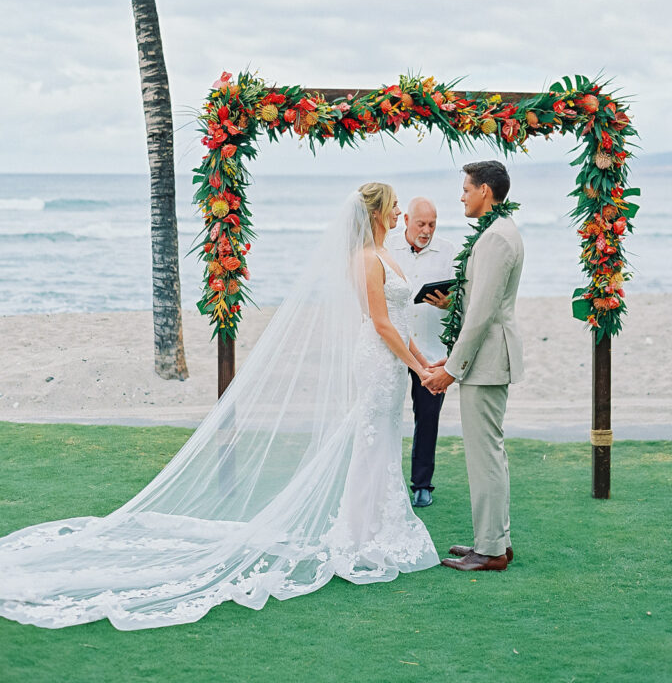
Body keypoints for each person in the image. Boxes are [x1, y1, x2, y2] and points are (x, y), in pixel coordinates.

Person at [0, 184, 439, 630]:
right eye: (396, 205)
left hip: (392, 363)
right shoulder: (364, 259)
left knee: (382, 441)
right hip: (376, 361)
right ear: (379, 212)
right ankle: (360, 536)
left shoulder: (388, 255)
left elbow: (402, 325)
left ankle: (376, 528)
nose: (401, 210)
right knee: (368, 443)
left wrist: (422, 364)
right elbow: (381, 323)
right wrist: (418, 372)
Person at [425, 161, 524, 573]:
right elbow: (480, 302)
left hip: (485, 362)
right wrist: (453, 305)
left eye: (466, 188)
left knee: (484, 455)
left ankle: (492, 551)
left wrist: (453, 367)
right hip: (483, 358)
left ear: (485, 190)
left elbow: (484, 313)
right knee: (488, 453)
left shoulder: (497, 238)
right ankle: (493, 540)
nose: (461, 196)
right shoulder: (496, 232)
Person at [387, 197, 455, 508]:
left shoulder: (449, 252)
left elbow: (463, 300)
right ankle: (384, 482)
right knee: (386, 415)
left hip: (430, 353)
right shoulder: (386, 247)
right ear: (406, 221)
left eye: (432, 224)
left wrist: (448, 303)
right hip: (392, 350)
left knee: (427, 418)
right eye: (420, 224)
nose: (426, 230)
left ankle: (422, 484)